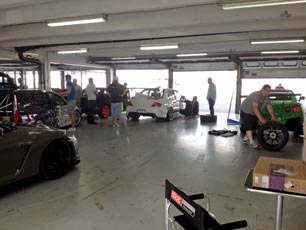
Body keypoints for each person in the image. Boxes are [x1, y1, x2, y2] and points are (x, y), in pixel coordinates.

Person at [240, 84, 277, 149]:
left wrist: (273, 117)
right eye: (267, 91)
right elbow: (255, 108)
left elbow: (269, 107)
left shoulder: (266, 97)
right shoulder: (256, 95)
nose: (269, 93)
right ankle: (251, 142)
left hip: (254, 113)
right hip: (246, 111)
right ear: (262, 89)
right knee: (249, 126)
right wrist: (261, 119)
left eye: (269, 91)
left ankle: (245, 139)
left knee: (253, 127)